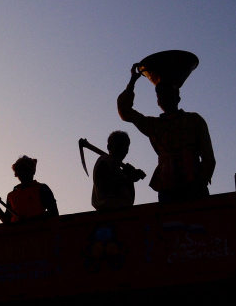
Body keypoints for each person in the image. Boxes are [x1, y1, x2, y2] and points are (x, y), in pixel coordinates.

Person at [117, 63, 215, 203]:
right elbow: (125, 111)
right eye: (160, 95)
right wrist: (132, 81)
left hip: (194, 185)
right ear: (158, 101)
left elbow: (208, 158)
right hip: (167, 186)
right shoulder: (153, 125)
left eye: (168, 94)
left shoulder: (194, 120)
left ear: (177, 98)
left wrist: (199, 181)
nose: (164, 98)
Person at [0, 155, 58, 223]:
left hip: (38, 231)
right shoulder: (11, 195)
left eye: (26, 169)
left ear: (33, 171)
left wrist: (30, 220)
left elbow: (54, 213)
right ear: (16, 173)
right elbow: (7, 221)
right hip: (17, 233)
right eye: (19, 170)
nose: (23, 172)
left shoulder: (42, 188)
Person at [92, 131, 146, 210]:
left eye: (126, 147)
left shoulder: (118, 169)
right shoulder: (104, 160)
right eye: (120, 145)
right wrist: (128, 179)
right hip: (109, 214)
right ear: (109, 147)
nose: (124, 150)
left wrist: (128, 175)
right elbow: (105, 183)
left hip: (122, 213)